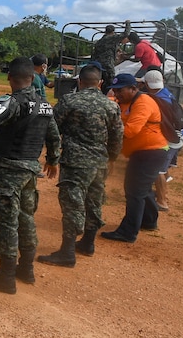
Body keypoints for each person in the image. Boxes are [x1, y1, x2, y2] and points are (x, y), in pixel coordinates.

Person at [0, 57, 61, 294]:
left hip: (7, 172)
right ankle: (26, 269)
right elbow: (53, 135)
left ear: (9, 77)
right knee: (26, 219)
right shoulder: (44, 104)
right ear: (33, 78)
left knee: (7, 225)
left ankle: (6, 277)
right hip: (30, 172)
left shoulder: (11, 102)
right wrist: (53, 160)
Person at [37, 62, 123, 267]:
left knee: (72, 205)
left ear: (79, 81)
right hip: (99, 162)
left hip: (75, 163)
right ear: (100, 83)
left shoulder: (69, 101)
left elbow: (52, 130)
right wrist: (111, 158)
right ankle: (87, 243)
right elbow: (117, 136)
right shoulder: (111, 105)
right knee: (94, 202)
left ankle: (67, 252)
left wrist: (52, 158)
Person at [101, 73, 167, 243]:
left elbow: (130, 131)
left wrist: (105, 132)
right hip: (142, 153)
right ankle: (149, 221)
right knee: (141, 189)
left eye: (120, 90)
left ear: (133, 88)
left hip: (151, 152)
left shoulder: (143, 103)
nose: (117, 94)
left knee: (134, 191)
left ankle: (128, 232)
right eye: (114, 90)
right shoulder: (124, 102)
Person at [139, 69, 183, 212]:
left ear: (146, 83)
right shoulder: (167, 94)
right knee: (161, 169)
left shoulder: (155, 100)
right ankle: (159, 191)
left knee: (157, 170)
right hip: (177, 136)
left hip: (169, 140)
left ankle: (162, 201)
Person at [92, 24, 125, 91]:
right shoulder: (111, 38)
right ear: (113, 31)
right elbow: (126, 34)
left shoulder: (100, 41)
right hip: (108, 64)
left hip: (98, 64)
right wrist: (128, 23)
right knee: (111, 81)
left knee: (101, 81)